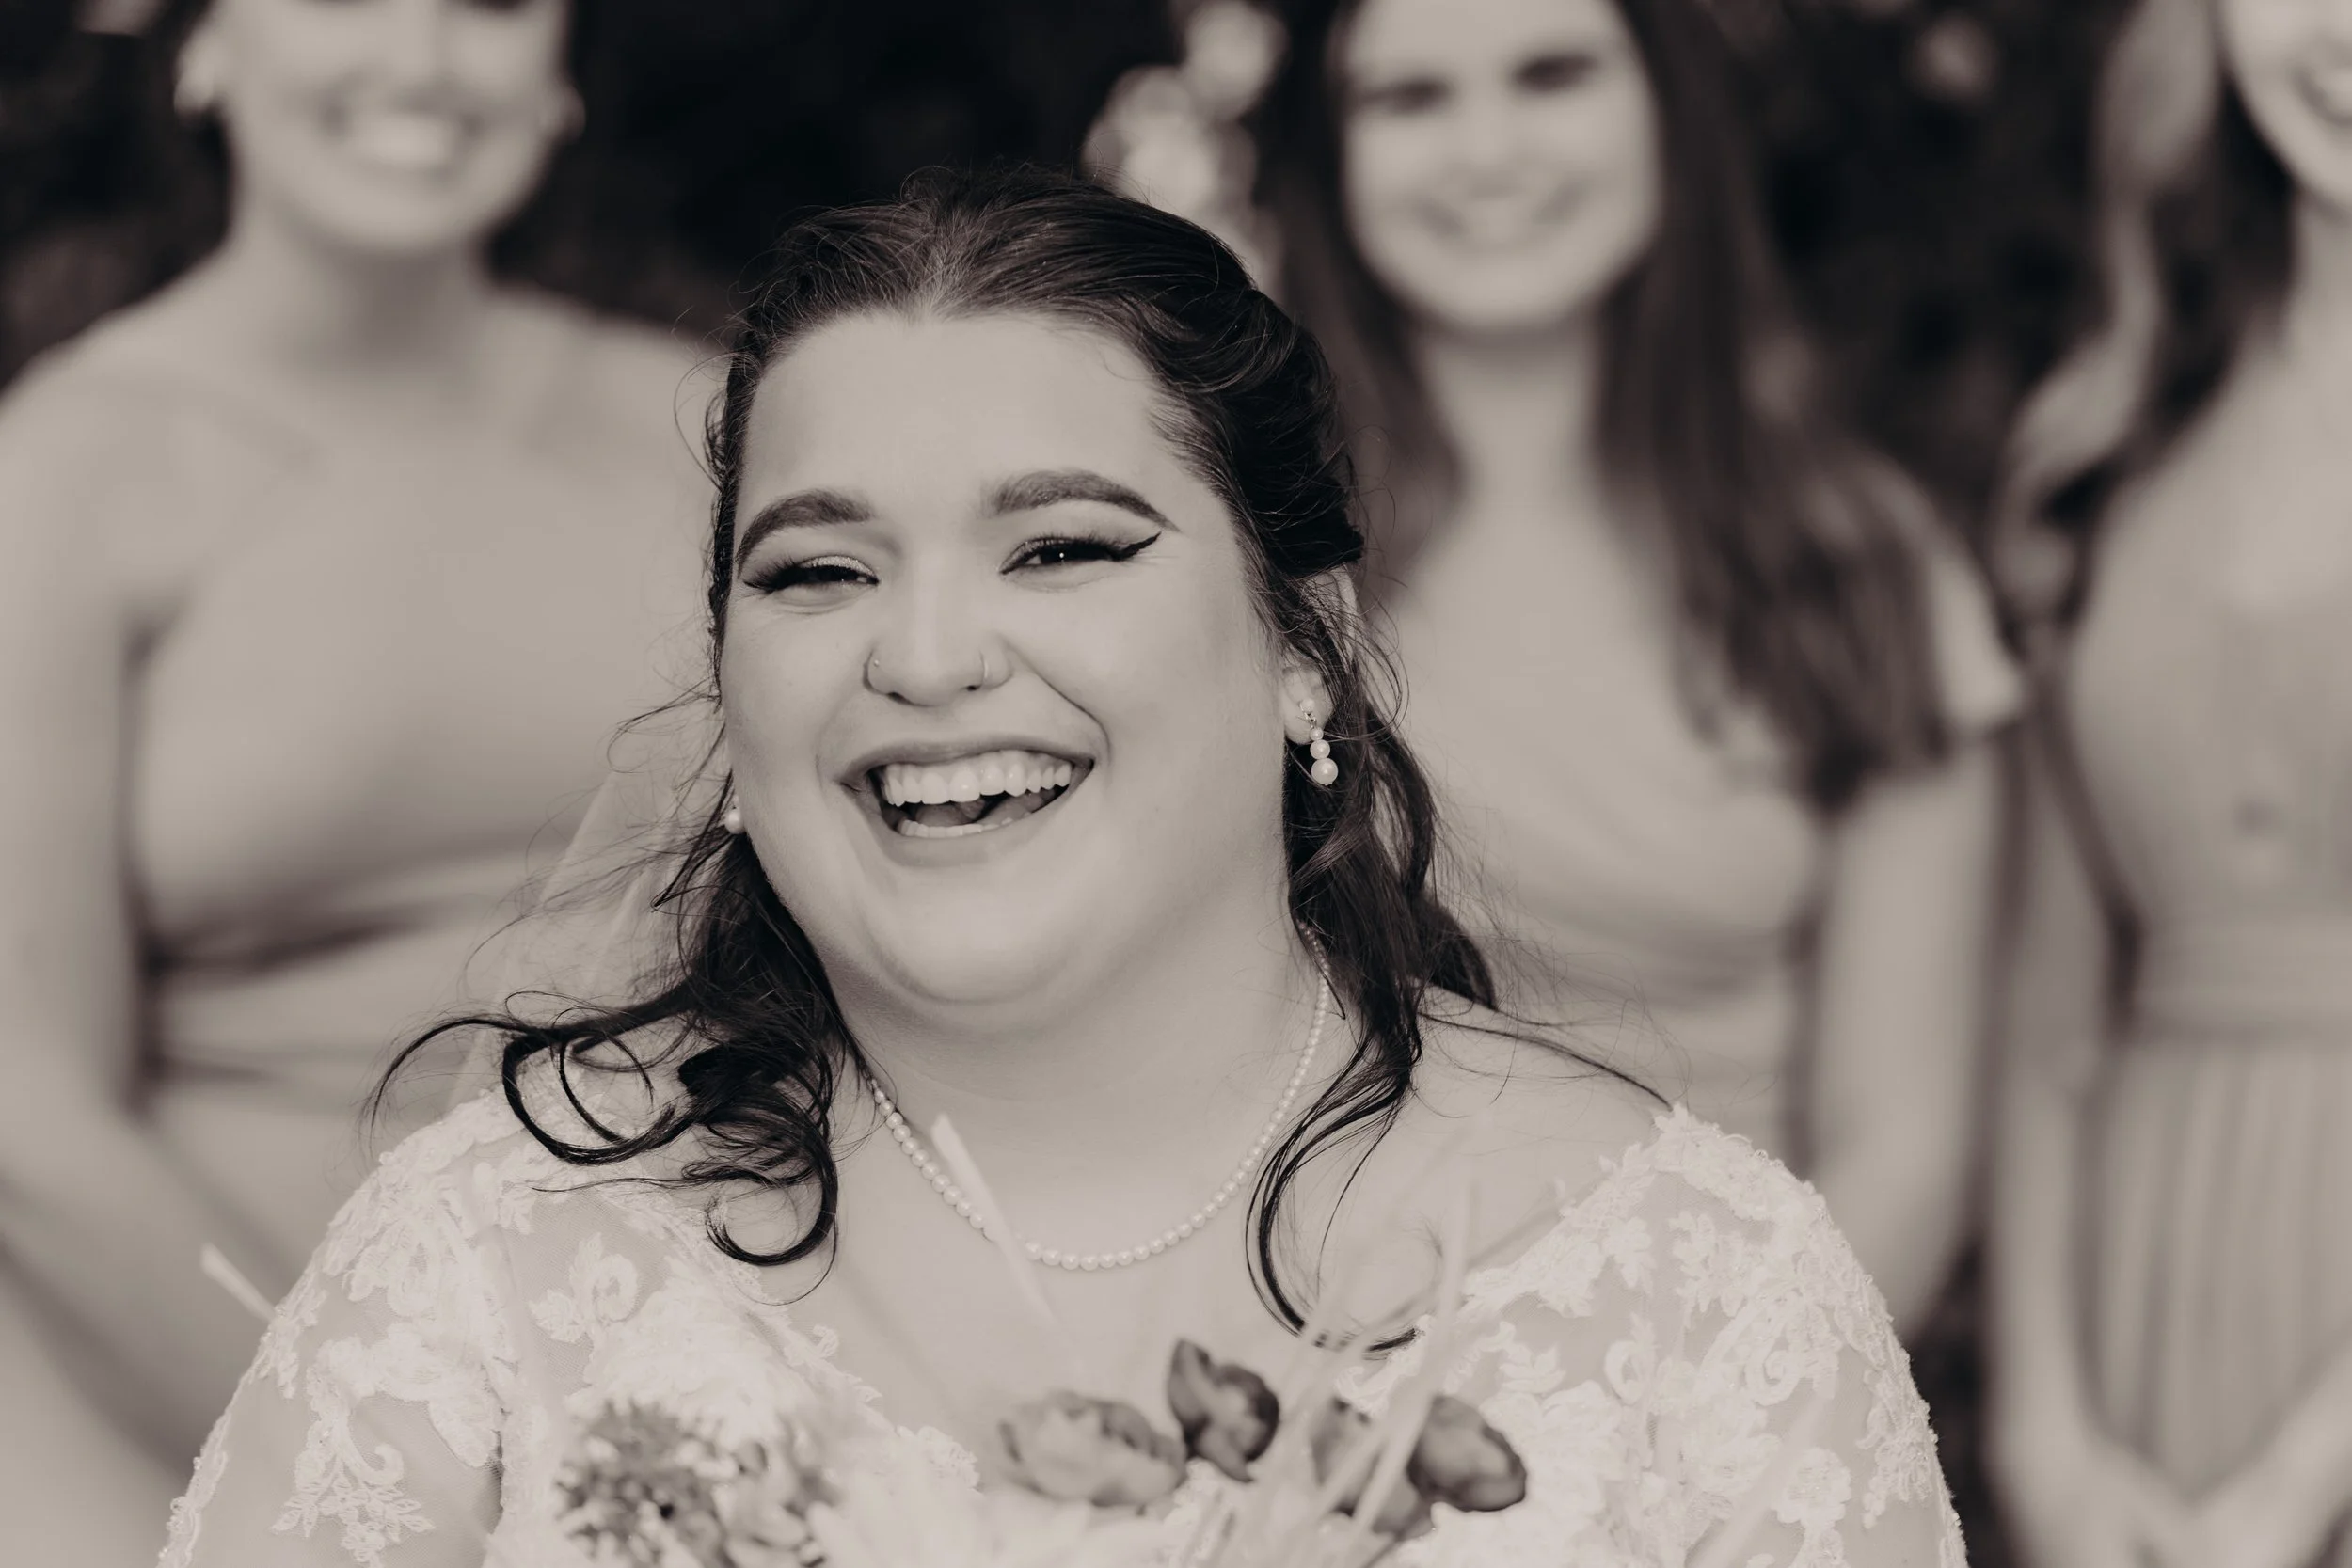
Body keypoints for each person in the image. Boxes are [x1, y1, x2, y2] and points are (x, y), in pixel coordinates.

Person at [156, 167, 1963, 1568]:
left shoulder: (1690, 1288)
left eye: (1064, 549)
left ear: (1307, 649)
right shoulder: (493, 1263)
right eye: (817, 573)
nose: (928, 657)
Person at [0, 0, 706, 1559]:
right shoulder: (65, 471)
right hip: (187, 1404)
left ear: (560, 69)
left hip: (677, 1387)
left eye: (489, 4)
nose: (422, 56)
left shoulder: (709, 426)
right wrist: (372, 1451)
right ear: (200, 44)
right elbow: (26, 1112)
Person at [1238, 0, 2020, 1338]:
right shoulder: (1235, 547)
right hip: (1287, 1355)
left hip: (1726, 1370)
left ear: (1669, 111)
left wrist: (1680, 1426)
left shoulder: (1864, 565)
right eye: (1410, 98)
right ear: (1329, 154)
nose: (1488, 149)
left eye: (1551, 74)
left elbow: (1901, 1155)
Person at [1989, 1, 2352, 1566]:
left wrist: (2305, 1480)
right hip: (2154, 1297)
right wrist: (2045, 1432)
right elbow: (2050, 1013)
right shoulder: (2114, 437)